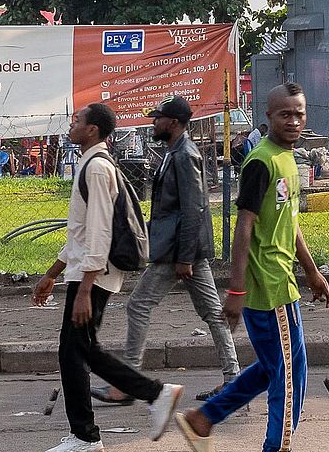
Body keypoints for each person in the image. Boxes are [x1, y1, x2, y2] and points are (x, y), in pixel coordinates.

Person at [174, 84, 329, 452]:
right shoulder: (261, 161)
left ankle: (202, 418)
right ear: (268, 116)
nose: (293, 121)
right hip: (267, 288)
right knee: (290, 373)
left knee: (270, 368)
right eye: (285, 114)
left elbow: (287, 222)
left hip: (284, 283)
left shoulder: (288, 159)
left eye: (299, 114)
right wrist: (236, 290)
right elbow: (244, 228)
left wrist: (312, 270)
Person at [31, 103, 183, 452]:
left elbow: (99, 232)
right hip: (87, 271)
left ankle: (143, 401)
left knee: (79, 351)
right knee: (76, 352)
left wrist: (84, 288)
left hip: (93, 275)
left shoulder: (97, 168)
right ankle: (90, 430)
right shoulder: (90, 163)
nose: (72, 123)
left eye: (78, 120)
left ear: (94, 130)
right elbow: (80, 233)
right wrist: (53, 273)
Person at [97, 95, 240, 405]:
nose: (154, 122)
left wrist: (185, 257)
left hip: (178, 252)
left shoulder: (184, 155)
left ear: (173, 123)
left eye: (159, 118)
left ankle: (129, 383)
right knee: (213, 314)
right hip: (179, 250)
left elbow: (194, 210)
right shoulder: (175, 152)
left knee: (138, 305)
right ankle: (232, 378)